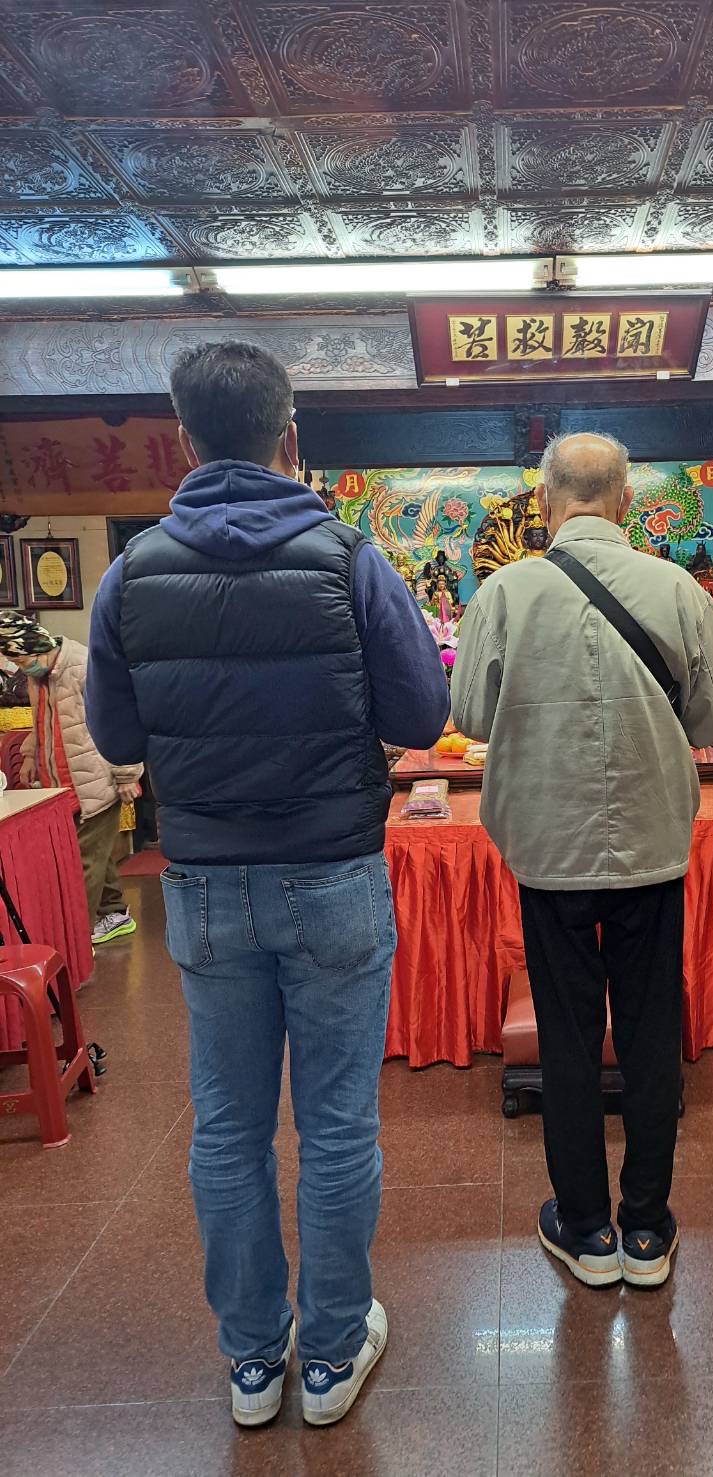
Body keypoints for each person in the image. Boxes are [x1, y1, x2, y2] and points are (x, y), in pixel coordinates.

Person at [85, 341, 449, 1428]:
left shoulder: (130, 575)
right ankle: (329, 1358)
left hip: (205, 886)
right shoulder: (349, 559)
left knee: (226, 1128)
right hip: (333, 873)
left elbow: (116, 737)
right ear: (290, 437)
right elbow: (421, 714)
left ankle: (252, 1362)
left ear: (184, 440)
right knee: (336, 1127)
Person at [452, 431, 713, 1290]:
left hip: (549, 849)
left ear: (544, 502)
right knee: (650, 1034)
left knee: (568, 1037)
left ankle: (585, 1227)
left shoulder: (504, 592)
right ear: (625, 501)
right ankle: (646, 1227)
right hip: (651, 844)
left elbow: (471, 715)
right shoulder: (679, 589)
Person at [0, 611, 141, 945]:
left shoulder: (84, 667)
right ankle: (115, 913)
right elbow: (40, 722)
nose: (21, 669)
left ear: (37, 647)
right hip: (63, 784)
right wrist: (29, 757)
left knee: (80, 863)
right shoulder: (39, 677)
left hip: (97, 782)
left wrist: (127, 775)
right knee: (96, 854)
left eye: (22, 661)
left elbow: (120, 720)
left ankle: (76, 939)